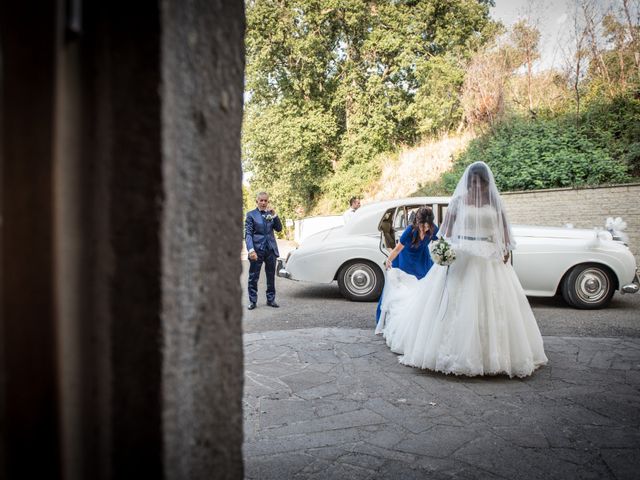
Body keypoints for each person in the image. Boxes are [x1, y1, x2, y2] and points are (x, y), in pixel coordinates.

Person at [380, 162, 548, 377]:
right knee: (457, 303)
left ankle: (494, 356)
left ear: (486, 182)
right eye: (473, 181)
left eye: (480, 181)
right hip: (462, 256)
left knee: (492, 302)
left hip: (489, 258)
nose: (477, 185)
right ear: (469, 182)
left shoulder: (494, 201)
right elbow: (446, 231)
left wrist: (505, 248)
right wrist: (443, 250)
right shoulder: (459, 201)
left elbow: (504, 228)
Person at [375, 206, 438, 328]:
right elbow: (397, 249)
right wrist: (388, 260)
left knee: (423, 289)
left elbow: (442, 239)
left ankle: (419, 319)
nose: (425, 229)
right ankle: (400, 321)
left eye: (427, 226)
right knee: (404, 290)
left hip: (423, 260)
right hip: (406, 260)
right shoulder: (410, 230)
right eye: (422, 226)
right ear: (417, 222)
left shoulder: (433, 228)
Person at [245, 192, 283, 310]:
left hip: (270, 249)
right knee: (253, 277)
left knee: (271, 276)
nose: (263, 203)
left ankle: (271, 299)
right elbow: (248, 234)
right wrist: (251, 249)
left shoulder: (270, 214)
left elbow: (279, 228)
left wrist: (275, 215)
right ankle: (252, 301)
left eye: (265, 200)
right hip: (256, 250)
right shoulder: (251, 215)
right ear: (257, 201)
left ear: (268, 202)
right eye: (261, 200)